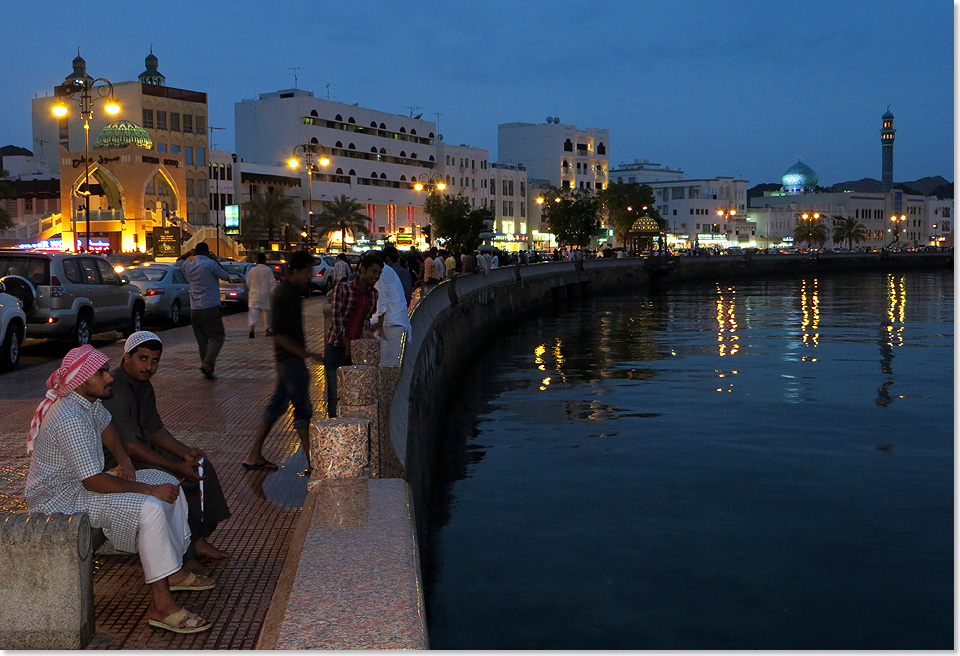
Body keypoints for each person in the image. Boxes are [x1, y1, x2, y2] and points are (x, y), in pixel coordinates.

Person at [25, 345, 214, 634]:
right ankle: (161, 606)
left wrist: (124, 461)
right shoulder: (69, 418)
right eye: (100, 373)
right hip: (59, 500)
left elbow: (107, 425)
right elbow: (93, 482)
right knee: (151, 506)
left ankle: (172, 571)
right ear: (81, 378)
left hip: (82, 487)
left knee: (169, 483)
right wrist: (148, 492)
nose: (108, 377)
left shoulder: (86, 402)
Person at [103, 331, 232, 561]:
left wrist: (185, 452)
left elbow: (155, 430)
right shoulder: (117, 389)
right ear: (126, 357)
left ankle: (199, 539)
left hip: (141, 451)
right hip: (119, 461)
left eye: (154, 361)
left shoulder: (144, 385)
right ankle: (184, 551)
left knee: (200, 465)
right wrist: (175, 465)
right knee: (176, 478)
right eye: (142, 359)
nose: (149, 367)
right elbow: (129, 446)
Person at [244, 251, 324, 472]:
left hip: (288, 361)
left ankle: (253, 455)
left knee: (276, 407)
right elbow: (278, 336)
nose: (310, 276)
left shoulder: (290, 293)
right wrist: (307, 354)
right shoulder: (284, 294)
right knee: (303, 410)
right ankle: (313, 463)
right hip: (291, 361)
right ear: (296, 271)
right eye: (308, 271)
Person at [324, 252, 382, 417]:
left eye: (379, 273)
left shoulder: (373, 295)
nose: (375, 276)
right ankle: (334, 429)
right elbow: (336, 321)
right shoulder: (343, 289)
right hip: (335, 348)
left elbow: (365, 320)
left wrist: (366, 336)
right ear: (362, 269)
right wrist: (347, 344)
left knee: (354, 394)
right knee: (335, 393)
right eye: (373, 271)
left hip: (356, 351)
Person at [176, 242, 242, 379]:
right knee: (217, 337)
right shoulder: (210, 264)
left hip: (195, 308)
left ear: (196, 252)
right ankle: (207, 363)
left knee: (202, 341)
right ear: (208, 252)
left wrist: (189, 253)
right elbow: (225, 276)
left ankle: (208, 369)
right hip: (210, 307)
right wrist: (216, 260)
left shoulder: (189, 265)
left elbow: (178, 260)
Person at [372, 249, 412, 366]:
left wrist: (372, 327)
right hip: (397, 322)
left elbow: (381, 306)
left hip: (393, 326)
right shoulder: (386, 270)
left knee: (388, 366)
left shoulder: (381, 273)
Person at [246, 252, 277, 339]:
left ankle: (252, 329)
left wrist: (251, 288)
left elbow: (248, 281)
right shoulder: (268, 270)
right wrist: (274, 292)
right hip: (265, 294)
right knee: (267, 312)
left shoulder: (252, 270)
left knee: (253, 312)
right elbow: (272, 283)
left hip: (254, 294)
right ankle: (267, 329)